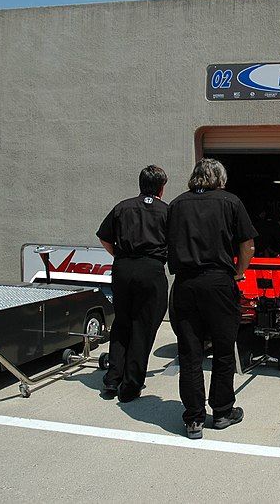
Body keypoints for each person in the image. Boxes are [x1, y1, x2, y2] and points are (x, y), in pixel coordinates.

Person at [167, 158, 257, 439]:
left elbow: (166, 241)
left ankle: (193, 419)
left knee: (190, 353)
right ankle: (221, 411)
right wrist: (239, 273)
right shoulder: (231, 202)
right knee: (222, 349)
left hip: (185, 283)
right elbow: (247, 244)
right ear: (220, 179)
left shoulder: (177, 204)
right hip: (219, 281)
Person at [96, 165, 169, 402]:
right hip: (151, 269)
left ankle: (112, 379)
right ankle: (130, 385)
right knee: (144, 327)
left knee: (122, 323)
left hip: (123, 267)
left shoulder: (122, 206)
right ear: (161, 187)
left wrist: (119, 255)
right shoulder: (166, 211)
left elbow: (103, 236)